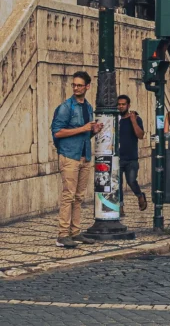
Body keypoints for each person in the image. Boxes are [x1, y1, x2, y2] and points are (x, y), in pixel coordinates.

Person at [51, 71, 103, 248]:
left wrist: (93, 131)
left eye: (80, 85)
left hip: (84, 156)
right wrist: (82, 129)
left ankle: (75, 232)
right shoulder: (66, 107)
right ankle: (62, 235)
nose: (76, 88)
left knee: (79, 197)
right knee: (68, 196)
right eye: (74, 85)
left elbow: (84, 134)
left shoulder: (88, 107)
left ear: (88, 86)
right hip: (69, 156)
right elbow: (57, 132)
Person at [117, 95, 147, 216]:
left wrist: (133, 120)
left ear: (128, 105)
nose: (121, 106)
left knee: (131, 181)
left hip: (131, 157)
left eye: (123, 104)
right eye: (119, 104)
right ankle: (120, 208)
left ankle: (140, 195)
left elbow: (140, 135)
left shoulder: (136, 118)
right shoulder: (116, 119)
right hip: (118, 157)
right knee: (117, 184)